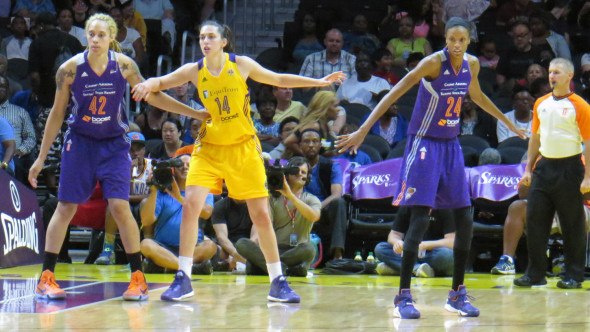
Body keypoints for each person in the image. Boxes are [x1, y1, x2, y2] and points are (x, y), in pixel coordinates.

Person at [131, 20, 345, 303]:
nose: (204, 41)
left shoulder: (241, 64)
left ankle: (277, 281)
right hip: (208, 149)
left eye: (210, 37)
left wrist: (318, 82)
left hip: (244, 149)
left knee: (260, 215)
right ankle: (183, 278)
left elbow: (279, 79)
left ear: (223, 41)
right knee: (192, 205)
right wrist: (149, 84)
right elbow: (160, 85)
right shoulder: (195, 70)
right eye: (201, 37)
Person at [336, 17, 526, 319]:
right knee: (419, 218)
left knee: (465, 218)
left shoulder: (472, 65)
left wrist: (510, 124)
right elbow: (393, 92)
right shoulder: (431, 64)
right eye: (451, 39)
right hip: (423, 144)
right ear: (445, 39)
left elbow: (477, 97)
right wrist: (362, 131)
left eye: (462, 40)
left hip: (451, 145)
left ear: (469, 41)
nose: (456, 45)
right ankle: (403, 297)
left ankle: (456, 294)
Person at [29, 13, 209, 301]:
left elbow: (153, 96)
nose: (96, 39)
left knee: (120, 207)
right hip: (81, 143)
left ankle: (137, 278)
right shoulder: (70, 69)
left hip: (113, 144)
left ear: (112, 36)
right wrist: (40, 158)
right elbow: (56, 113)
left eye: (101, 34)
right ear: (86, 36)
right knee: (65, 208)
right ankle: (47, 277)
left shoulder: (124, 65)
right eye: (91, 34)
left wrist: (194, 112)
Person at [513, 58, 590, 289]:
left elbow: (588, 142)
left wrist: (587, 176)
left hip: (571, 168)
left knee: (572, 224)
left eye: (556, 72)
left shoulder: (581, 106)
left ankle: (574, 275)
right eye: (550, 72)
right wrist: (528, 169)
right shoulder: (540, 104)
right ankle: (535, 274)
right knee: (536, 220)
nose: (551, 76)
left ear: (570, 76)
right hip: (544, 167)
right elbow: (535, 138)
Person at [236, 156, 321, 277]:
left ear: (308, 178)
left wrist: (291, 196)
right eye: (295, 171)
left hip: (296, 251)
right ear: (287, 175)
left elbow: (314, 216)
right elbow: (265, 221)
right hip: (274, 249)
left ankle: (270, 266)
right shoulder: (274, 198)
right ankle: (286, 268)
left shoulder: (312, 199)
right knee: (242, 243)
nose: (299, 175)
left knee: (309, 249)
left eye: (303, 172)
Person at [140, 153, 217, 273]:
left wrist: (180, 198)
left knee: (210, 246)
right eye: (180, 164)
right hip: (164, 247)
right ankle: (187, 268)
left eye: (189, 165)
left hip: (192, 248)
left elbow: (207, 213)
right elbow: (146, 221)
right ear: (173, 169)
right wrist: (153, 191)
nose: (185, 167)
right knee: (146, 244)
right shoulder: (163, 191)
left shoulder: (202, 190)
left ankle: (168, 265)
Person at [95, 131, 153, 265]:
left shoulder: (152, 166)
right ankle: (108, 250)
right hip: (124, 205)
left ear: (144, 150)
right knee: (112, 207)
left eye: (139, 149)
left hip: (143, 205)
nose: (135, 153)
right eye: (131, 149)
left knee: (147, 203)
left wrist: (130, 197)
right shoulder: (117, 167)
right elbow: (113, 195)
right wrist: (129, 174)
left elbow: (153, 196)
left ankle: (148, 250)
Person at [299, 129, 348, 260]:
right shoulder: (294, 166)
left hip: (323, 209)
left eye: (315, 141)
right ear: (300, 146)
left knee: (339, 203)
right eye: (306, 141)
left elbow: (337, 194)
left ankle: (338, 254)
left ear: (320, 145)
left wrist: (316, 207)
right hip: (299, 209)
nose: (311, 145)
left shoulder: (331, 166)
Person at [375, 207, 455, 278]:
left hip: (433, 255)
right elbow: (393, 235)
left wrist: (424, 245)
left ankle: (398, 268)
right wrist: (397, 242)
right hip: (409, 253)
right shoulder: (407, 206)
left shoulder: (445, 207)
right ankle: (417, 269)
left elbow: (451, 242)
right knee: (381, 248)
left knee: (448, 255)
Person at [0, 76, 36, 184]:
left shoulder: (20, 112)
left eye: (3, 87)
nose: (0, 89)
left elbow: (31, 137)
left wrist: (20, 150)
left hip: (15, 156)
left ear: (8, 90)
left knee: (18, 164)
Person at [211, 197, 254, 273]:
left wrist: (246, 254)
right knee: (217, 251)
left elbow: (255, 238)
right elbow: (222, 238)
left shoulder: (255, 206)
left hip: (246, 246)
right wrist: (235, 254)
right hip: (226, 248)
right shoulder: (220, 205)